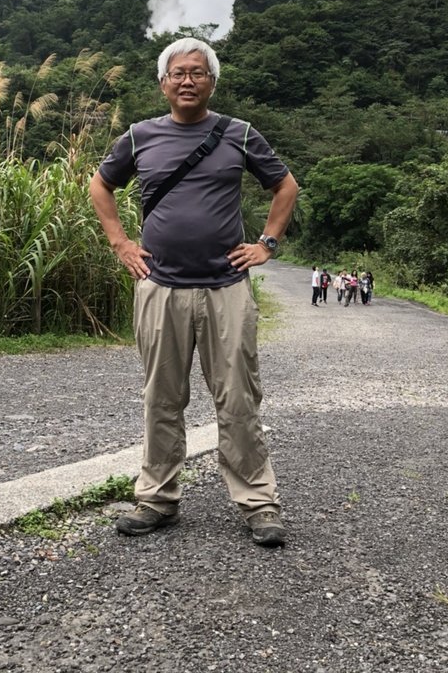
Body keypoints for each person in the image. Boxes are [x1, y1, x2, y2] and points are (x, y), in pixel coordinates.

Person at [90, 37, 298, 547]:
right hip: (161, 287)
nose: (187, 80)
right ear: (163, 83)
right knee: (162, 396)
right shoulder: (140, 137)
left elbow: (285, 185)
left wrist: (267, 243)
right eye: (178, 73)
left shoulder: (239, 134)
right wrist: (121, 244)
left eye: (197, 73)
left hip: (226, 288)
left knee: (239, 398)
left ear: (212, 81)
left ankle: (258, 504)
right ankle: (156, 499)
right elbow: (101, 185)